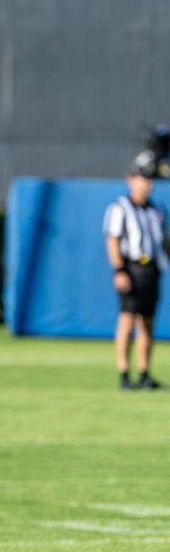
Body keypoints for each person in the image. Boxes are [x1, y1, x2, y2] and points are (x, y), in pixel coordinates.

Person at [104, 148, 170, 390]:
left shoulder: (157, 210)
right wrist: (119, 270)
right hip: (131, 268)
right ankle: (124, 374)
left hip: (152, 269)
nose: (148, 184)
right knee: (127, 320)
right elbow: (112, 240)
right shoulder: (120, 209)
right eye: (143, 179)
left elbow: (164, 241)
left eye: (150, 180)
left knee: (148, 324)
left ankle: (144, 374)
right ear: (131, 180)